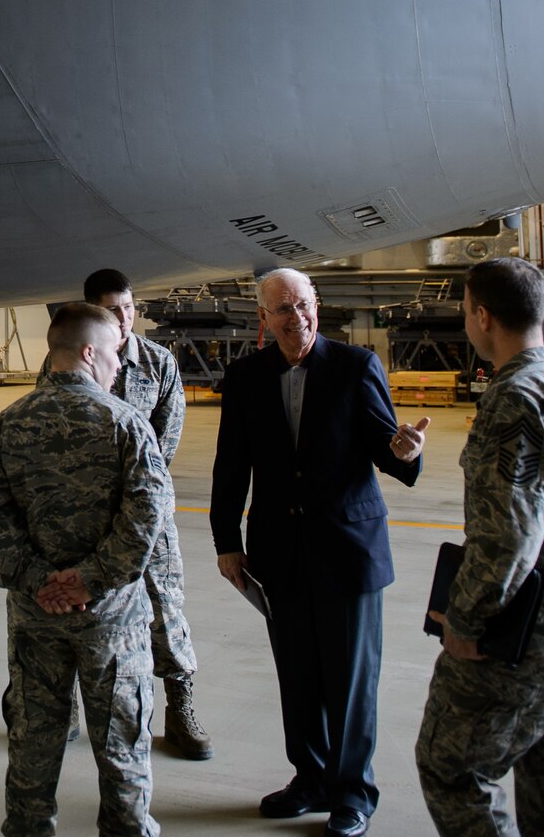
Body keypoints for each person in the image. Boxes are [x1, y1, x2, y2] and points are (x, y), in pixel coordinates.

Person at [210, 268, 428, 837]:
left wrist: (405, 452)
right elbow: (231, 466)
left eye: (303, 304)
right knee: (299, 675)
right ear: (264, 318)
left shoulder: (356, 367)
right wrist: (227, 543)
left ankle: (352, 792)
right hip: (279, 553)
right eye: (281, 308)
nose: (295, 317)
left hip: (349, 551)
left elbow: (387, 450)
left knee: (351, 680)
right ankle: (310, 778)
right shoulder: (246, 377)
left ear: (317, 304)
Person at [415, 257, 544, 837]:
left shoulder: (515, 398)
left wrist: (466, 620)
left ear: (483, 317)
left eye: (464, 313)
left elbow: (508, 537)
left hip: (528, 636)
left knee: (451, 769)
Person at [0, 302, 173, 837]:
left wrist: (40, 580)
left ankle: (28, 827)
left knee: (34, 736)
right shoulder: (126, 424)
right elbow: (148, 515)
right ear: (88, 353)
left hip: (35, 618)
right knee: (122, 739)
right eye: (113, 354)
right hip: (112, 621)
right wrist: (92, 579)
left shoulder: (3, 428)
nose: (117, 366)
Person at [84, 267, 212, 759]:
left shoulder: (159, 364)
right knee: (80, 609)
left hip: (146, 516)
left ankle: (180, 709)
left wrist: (130, 500)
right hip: (86, 515)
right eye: (113, 310)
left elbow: (164, 448)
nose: (123, 319)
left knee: (165, 610)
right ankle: (69, 705)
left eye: (129, 308)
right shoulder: (75, 359)